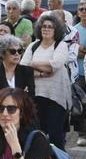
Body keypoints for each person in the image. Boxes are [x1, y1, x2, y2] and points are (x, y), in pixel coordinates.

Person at [20, 13, 71, 150]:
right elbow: (23, 68)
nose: (46, 29)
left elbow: (55, 65)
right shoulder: (33, 46)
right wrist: (44, 72)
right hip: (35, 97)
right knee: (37, 136)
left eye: (50, 27)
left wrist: (33, 64)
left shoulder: (61, 46)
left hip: (56, 98)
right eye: (43, 26)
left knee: (56, 138)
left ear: (56, 30)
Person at [0, 34, 35, 104]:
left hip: (21, 112)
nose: (17, 54)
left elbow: (30, 96)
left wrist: (1, 94)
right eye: (12, 51)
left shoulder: (27, 71)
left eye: (19, 51)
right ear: (3, 53)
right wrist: (20, 95)